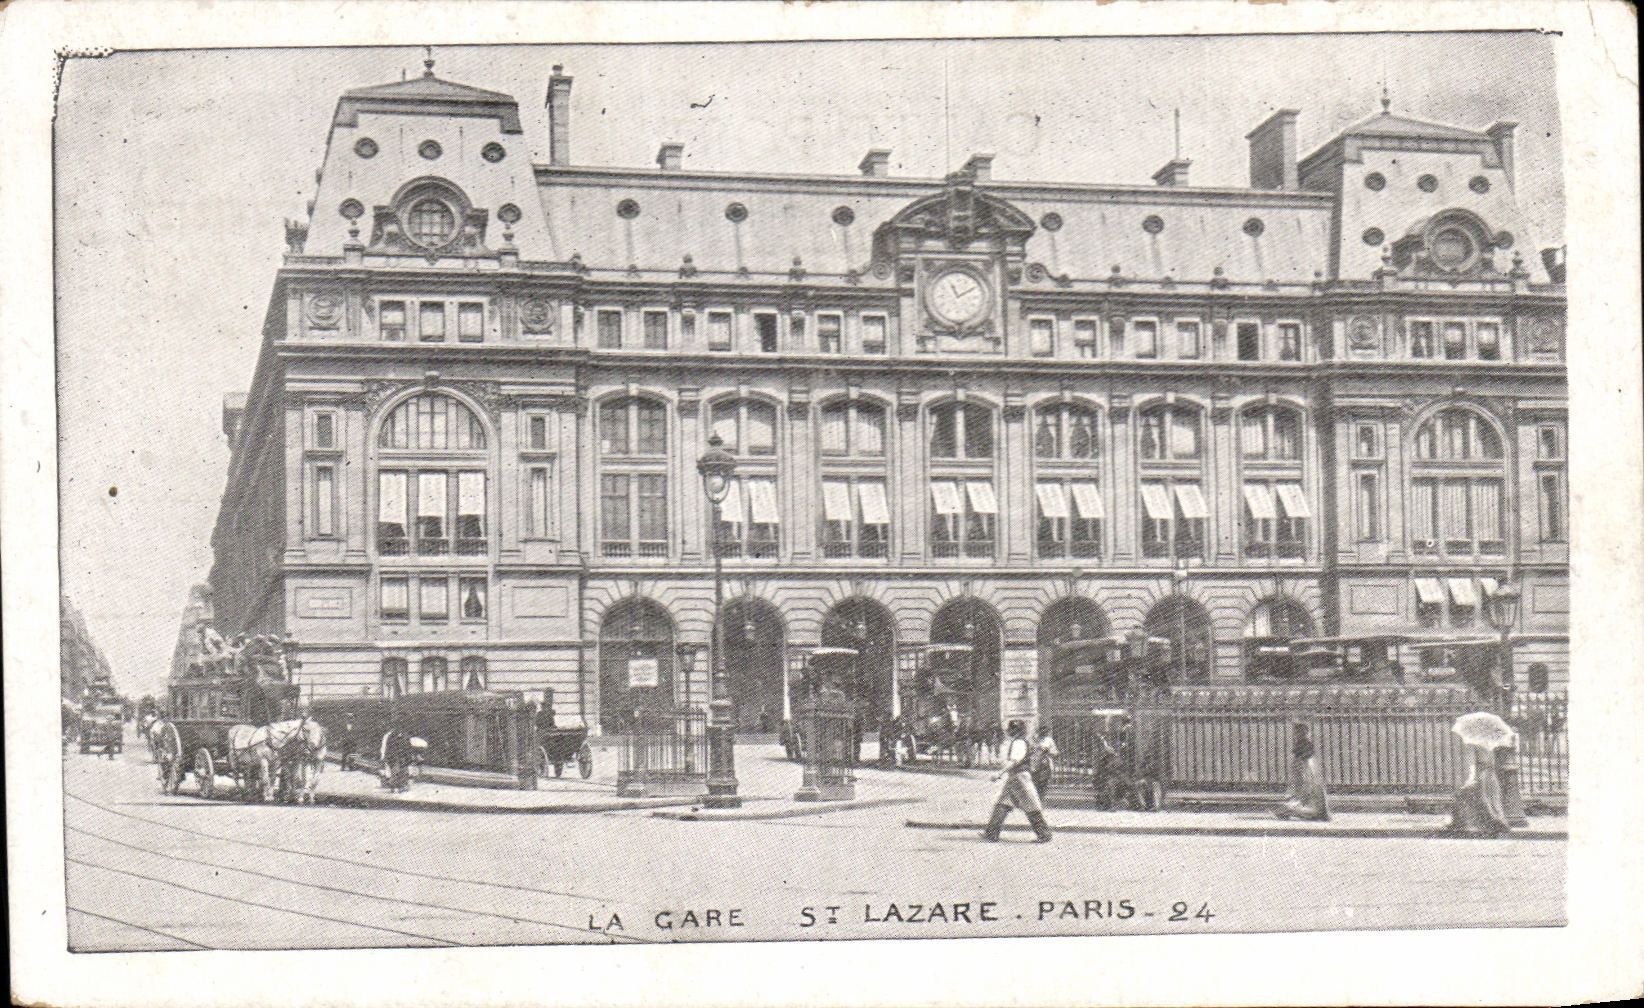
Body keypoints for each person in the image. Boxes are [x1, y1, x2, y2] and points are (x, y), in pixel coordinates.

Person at [982, 720, 1053, 843]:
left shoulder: (1019, 743)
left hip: (1020, 778)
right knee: (1003, 803)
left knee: (1031, 805)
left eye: (1011, 729)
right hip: (1016, 777)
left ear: (1015, 730)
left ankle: (1044, 834)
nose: (1008, 731)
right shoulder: (1020, 741)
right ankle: (991, 833)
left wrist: (999, 773)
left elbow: (1014, 761)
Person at [1444, 741, 1511, 836]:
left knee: (1484, 798)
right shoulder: (1491, 742)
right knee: (1493, 799)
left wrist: (1471, 778)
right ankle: (1498, 821)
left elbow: (1472, 763)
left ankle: (1489, 823)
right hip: (1491, 773)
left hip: (1482, 773)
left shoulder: (1473, 743)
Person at [1275, 721, 1330, 821]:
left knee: (1296, 803)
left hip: (1307, 797)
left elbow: (1304, 779)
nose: (1296, 735)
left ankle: (1303, 811)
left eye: (1298, 733)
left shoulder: (1305, 761)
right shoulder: (1309, 761)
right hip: (1307, 793)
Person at [1030, 722, 1058, 796]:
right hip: (1034, 764)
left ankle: (1041, 798)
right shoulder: (1034, 740)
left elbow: (1055, 753)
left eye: (1044, 731)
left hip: (1045, 765)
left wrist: (1047, 752)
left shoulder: (1049, 741)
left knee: (1042, 783)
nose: (1042, 732)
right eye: (1041, 730)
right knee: (1034, 783)